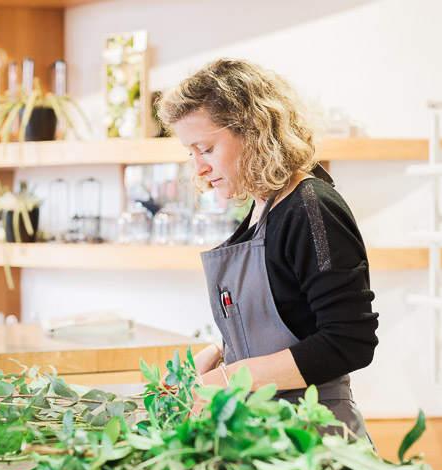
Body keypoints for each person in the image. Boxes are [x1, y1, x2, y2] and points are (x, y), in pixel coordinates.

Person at [158, 59, 379, 438]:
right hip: (263, 428)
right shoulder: (261, 208)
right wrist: (216, 355)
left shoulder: (311, 207)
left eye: (206, 149)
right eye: (190, 153)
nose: (198, 169)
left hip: (313, 436)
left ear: (254, 131)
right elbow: (291, 322)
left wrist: (231, 379)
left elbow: (349, 341)